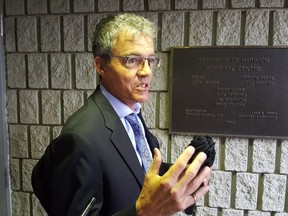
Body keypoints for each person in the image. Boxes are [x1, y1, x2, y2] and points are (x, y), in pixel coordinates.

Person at [32, 13, 212, 216]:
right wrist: (142, 212)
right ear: (100, 66)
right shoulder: (80, 138)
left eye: (150, 60)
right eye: (132, 60)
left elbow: (136, 173)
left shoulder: (132, 115)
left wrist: (183, 176)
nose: (146, 72)